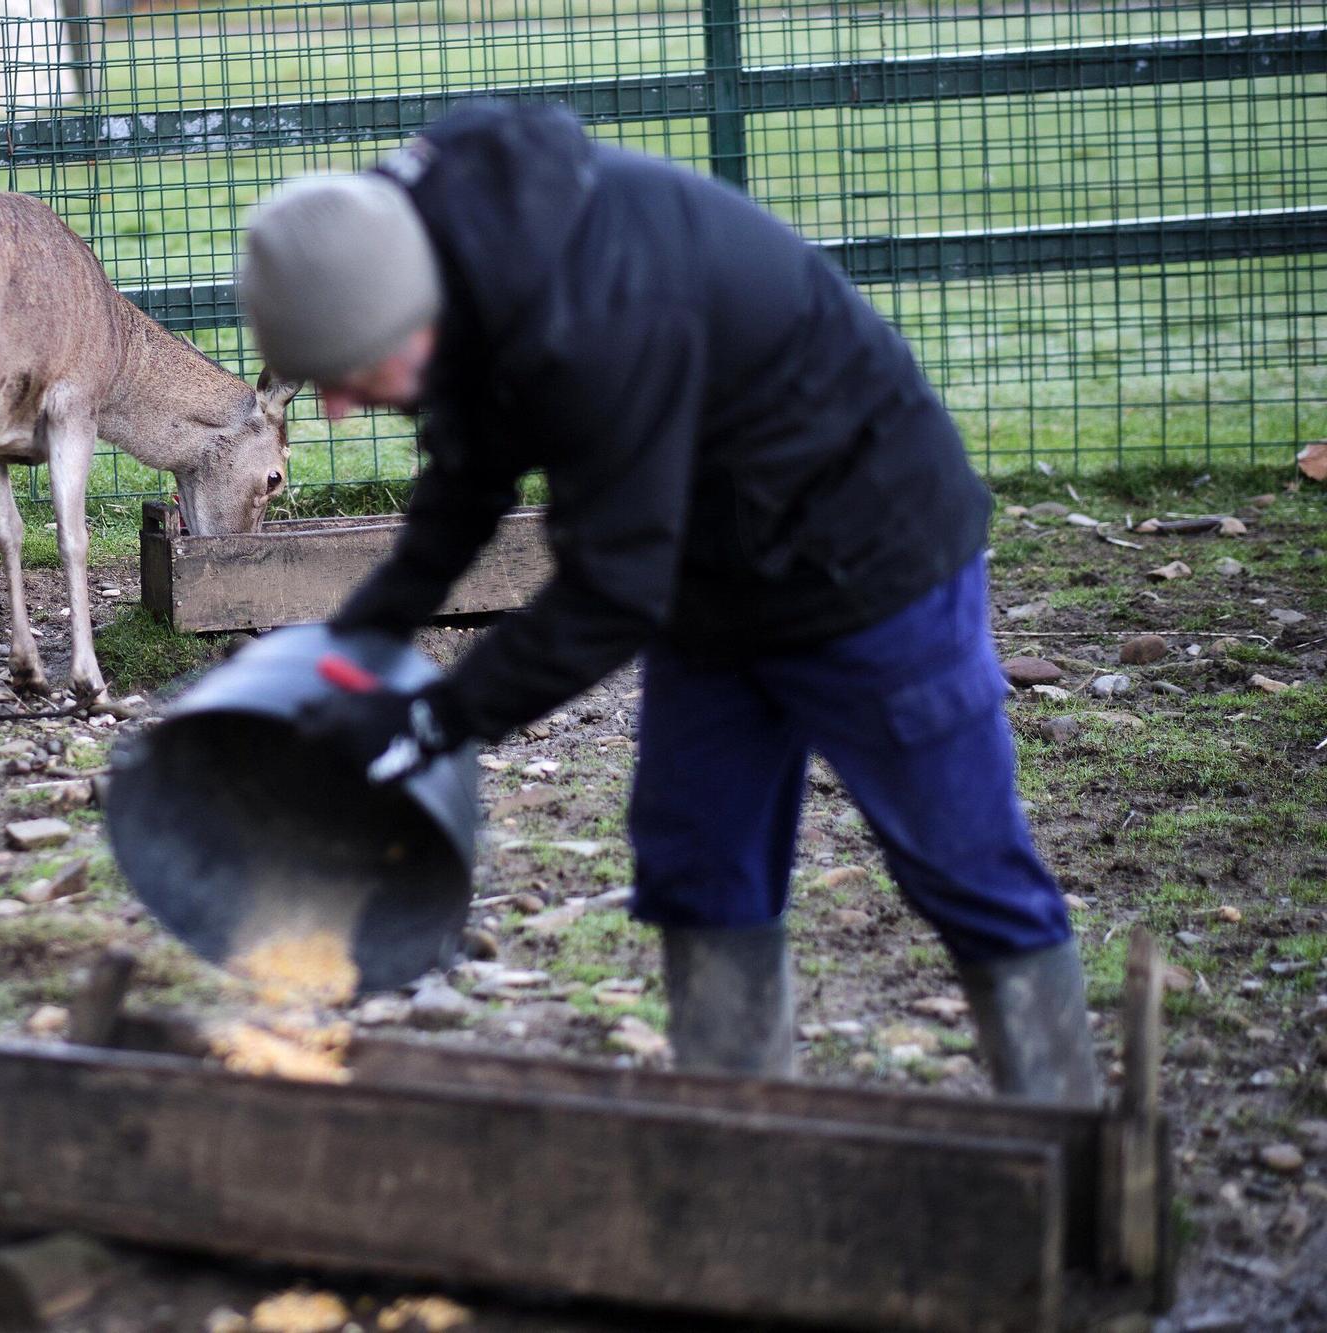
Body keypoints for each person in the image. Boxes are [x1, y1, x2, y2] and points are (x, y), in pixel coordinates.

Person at [235, 100, 1098, 1105]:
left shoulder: (594, 314)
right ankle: (733, 1151)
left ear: (410, 316)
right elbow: (465, 486)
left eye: (346, 377)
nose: (336, 409)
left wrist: (438, 716)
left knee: (961, 862)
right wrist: (360, 640)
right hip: (711, 565)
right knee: (699, 859)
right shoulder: (444, 257)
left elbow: (610, 592)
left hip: (869, 560)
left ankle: (1065, 1138)